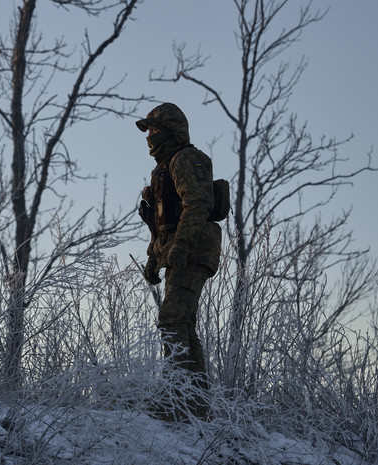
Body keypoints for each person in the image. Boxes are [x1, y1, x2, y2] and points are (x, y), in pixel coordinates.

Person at [136, 102, 222, 420]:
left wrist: (182, 247)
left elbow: (198, 203)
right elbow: (164, 224)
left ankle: (178, 399)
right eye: (149, 130)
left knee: (172, 318)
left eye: (155, 130)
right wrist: (152, 258)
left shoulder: (187, 158)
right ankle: (194, 405)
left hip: (194, 249)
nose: (150, 136)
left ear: (170, 132)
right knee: (183, 322)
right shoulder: (164, 167)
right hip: (179, 251)